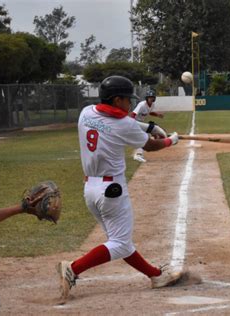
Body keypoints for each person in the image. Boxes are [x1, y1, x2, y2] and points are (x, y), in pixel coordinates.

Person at [56, 76, 181, 302]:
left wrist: (151, 126)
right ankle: (73, 269)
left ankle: (155, 276)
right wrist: (171, 140)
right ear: (116, 99)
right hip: (112, 189)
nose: (130, 104)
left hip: (90, 189)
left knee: (119, 241)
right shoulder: (124, 124)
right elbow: (150, 145)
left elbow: (123, 125)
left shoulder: (86, 113)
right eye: (126, 100)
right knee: (120, 243)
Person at [130, 89, 165, 163]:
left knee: (146, 137)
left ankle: (138, 154)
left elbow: (150, 112)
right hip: (135, 123)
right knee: (146, 137)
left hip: (140, 123)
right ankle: (138, 155)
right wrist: (131, 124)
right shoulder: (142, 104)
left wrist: (158, 115)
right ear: (147, 98)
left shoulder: (152, 105)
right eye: (149, 97)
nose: (151, 99)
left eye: (152, 97)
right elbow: (133, 114)